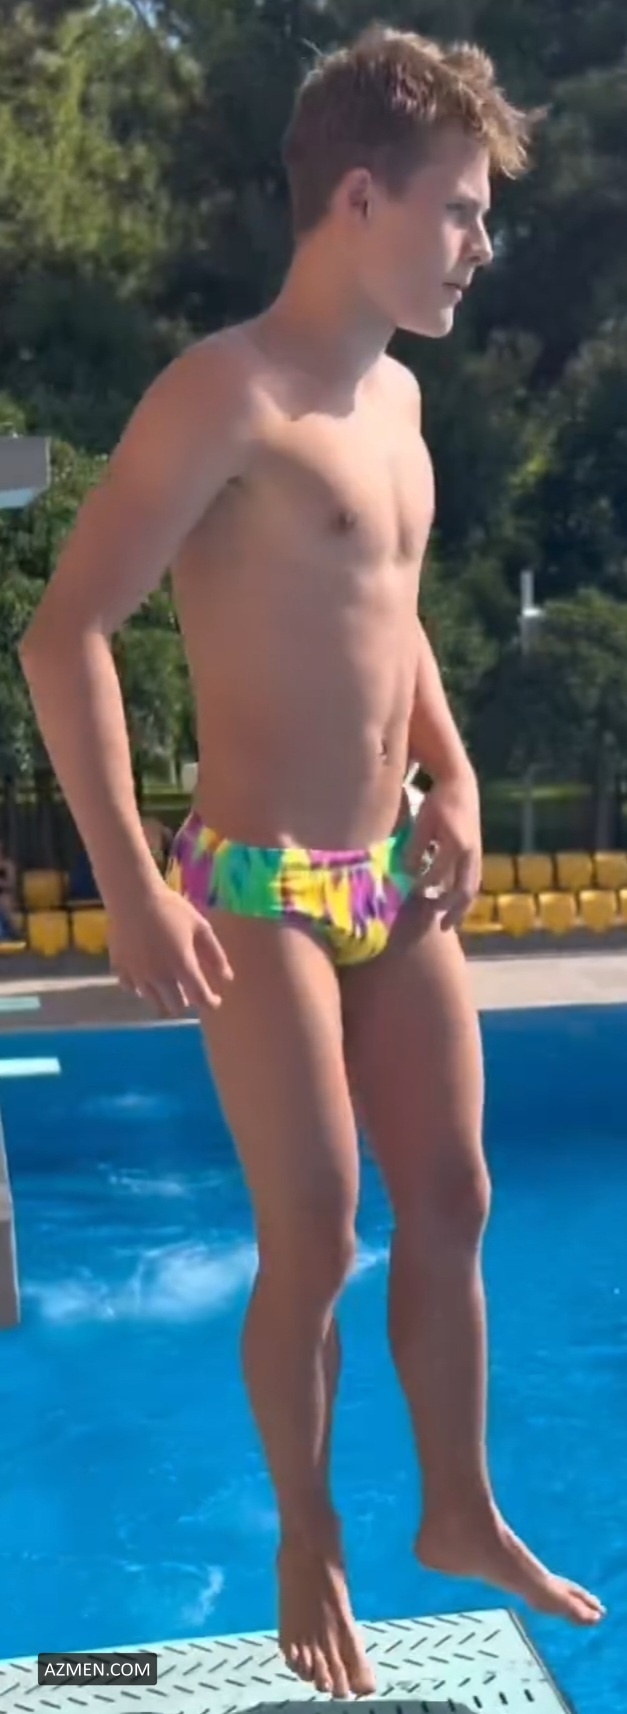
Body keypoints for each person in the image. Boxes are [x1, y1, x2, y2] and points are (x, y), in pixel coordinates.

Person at [19, 26, 604, 1697]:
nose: (481, 245)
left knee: (459, 1192)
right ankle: (309, 1530)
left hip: (382, 876)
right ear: (360, 200)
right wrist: (128, 880)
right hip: (256, 886)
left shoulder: (398, 401)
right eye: (462, 211)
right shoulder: (226, 395)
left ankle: (459, 1509)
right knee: (320, 1222)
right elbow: (66, 637)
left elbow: (390, 619)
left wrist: (457, 773)